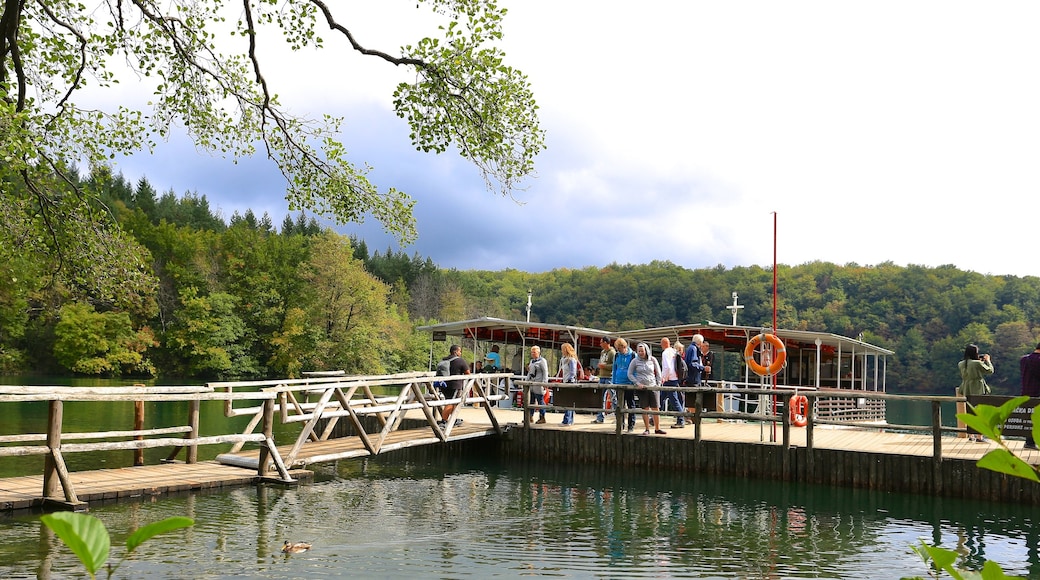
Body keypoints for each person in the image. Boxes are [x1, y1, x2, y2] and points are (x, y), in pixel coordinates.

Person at [958, 343, 994, 442]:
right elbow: (989, 371)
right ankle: (979, 436)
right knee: (979, 413)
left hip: (966, 388)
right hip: (978, 388)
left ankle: (970, 435)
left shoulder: (961, 363)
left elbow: (971, 368)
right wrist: (988, 361)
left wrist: (980, 362)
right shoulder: (977, 363)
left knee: (969, 412)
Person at [629, 341, 665, 435]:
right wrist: (637, 383)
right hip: (642, 387)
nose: (641, 353)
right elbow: (630, 374)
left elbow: (658, 372)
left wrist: (658, 384)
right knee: (645, 408)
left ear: (646, 351)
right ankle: (647, 428)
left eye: (642, 351)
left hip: (653, 386)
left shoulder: (652, 360)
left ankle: (657, 428)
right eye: (639, 351)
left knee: (655, 407)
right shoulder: (635, 361)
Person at [438, 344, 470, 427]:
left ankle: (454, 419)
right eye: (459, 351)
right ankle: (443, 421)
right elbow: (468, 373)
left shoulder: (444, 359)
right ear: (455, 352)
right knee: (450, 402)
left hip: (444, 384)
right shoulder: (460, 361)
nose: (460, 353)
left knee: (452, 402)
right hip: (455, 385)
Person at [612, 338, 638, 432]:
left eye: (619, 348)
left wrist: (634, 381)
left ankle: (631, 425)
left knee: (631, 404)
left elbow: (635, 369)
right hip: (618, 383)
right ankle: (620, 425)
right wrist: (613, 381)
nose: (618, 350)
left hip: (629, 383)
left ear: (624, 347)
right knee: (620, 406)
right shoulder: (616, 355)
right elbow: (614, 368)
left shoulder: (633, 355)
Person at [659, 337, 684, 428]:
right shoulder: (674, 351)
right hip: (675, 378)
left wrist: (664, 378)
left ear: (663, 344)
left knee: (674, 401)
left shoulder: (665, 353)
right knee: (661, 398)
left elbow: (667, 367)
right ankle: (654, 417)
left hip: (669, 379)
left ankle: (681, 420)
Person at [1020, 343, 1040, 449]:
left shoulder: (1024, 359)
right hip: (1037, 392)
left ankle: (1029, 441)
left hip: (1026, 392)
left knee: (1029, 417)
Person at [594, 337, 616, 423]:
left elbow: (614, 366)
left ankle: (617, 417)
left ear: (606, 342)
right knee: (600, 398)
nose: (600, 344)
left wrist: (604, 366)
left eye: (601, 342)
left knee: (613, 397)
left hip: (609, 377)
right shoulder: (602, 352)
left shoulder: (612, 353)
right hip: (602, 376)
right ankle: (600, 417)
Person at [526, 345, 550, 424]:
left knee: (540, 401)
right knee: (531, 401)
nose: (533, 353)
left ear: (538, 352)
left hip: (539, 384)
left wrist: (544, 382)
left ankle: (542, 417)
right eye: (532, 352)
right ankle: (530, 417)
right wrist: (526, 381)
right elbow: (530, 372)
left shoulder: (542, 361)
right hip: (532, 384)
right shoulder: (531, 361)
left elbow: (545, 372)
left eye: (534, 352)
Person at [559, 343, 579, 425]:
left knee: (568, 402)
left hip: (570, 382)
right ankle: (569, 419)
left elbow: (573, 372)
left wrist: (569, 380)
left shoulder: (571, 360)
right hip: (565, 381)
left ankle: (567, 420)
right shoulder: (564, 359)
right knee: (567, 402)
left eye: (563, 349)